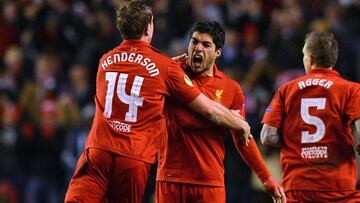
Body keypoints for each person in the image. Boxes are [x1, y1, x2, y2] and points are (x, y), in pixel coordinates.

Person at [64, 1, 252, 203]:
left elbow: (135, 73)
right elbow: (209, 110)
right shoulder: (165, 67)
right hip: (133, 159)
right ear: (148, 27)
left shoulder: (105, 61)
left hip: (98, 152)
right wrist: (239, 123)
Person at [156, 21, 286, 203]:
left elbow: (243, 137)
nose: (197, 48)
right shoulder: (171, 74)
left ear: (218, 52)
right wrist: (160, 71)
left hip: (210, 183)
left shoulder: (231, 89)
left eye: (206, 45)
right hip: (171, 179)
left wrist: (266, 178)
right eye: (194, 42)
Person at [261, 32, 360, 202]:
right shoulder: (352, 90)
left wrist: (297, 139)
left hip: (297, 187)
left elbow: (267, 137)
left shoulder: (286, 90)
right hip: (339, 188)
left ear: (310, 59)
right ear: (332, 60)